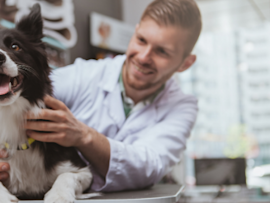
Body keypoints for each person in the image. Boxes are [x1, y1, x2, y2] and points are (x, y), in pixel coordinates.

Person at [0, 0, 201, 192]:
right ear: (135, 32)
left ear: (186, 64)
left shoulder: (182, 106)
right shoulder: (82, 75)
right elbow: (29, 93)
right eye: (141, 40)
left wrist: (84, 136)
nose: (143, 57)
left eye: (162, 51)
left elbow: (150, 166)